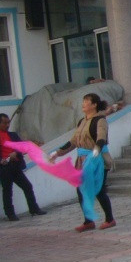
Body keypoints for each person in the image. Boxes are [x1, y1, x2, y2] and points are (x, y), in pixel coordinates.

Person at [53, 93, 116, 231]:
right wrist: (57, 153)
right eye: (83, 101)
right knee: (81, 190)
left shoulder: (100, 120)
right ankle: (88, 221)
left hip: (98, 160)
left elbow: (101, 138)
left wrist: (95, 152)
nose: (83, 104)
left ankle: (110, 219)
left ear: (94, 105)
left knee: (99, 190)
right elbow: (74, 141)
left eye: (86, 102)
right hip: (83, 161)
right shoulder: (82, 121)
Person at [0, 113, 47, 221]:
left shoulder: (13, 135)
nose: (7, 125)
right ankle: (10, 213)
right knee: (7, 191)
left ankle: (34, 208)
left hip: (15, 166)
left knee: (27, 186)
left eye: (8, 122)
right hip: (4, 167)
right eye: (5, 123)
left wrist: (15, 153)